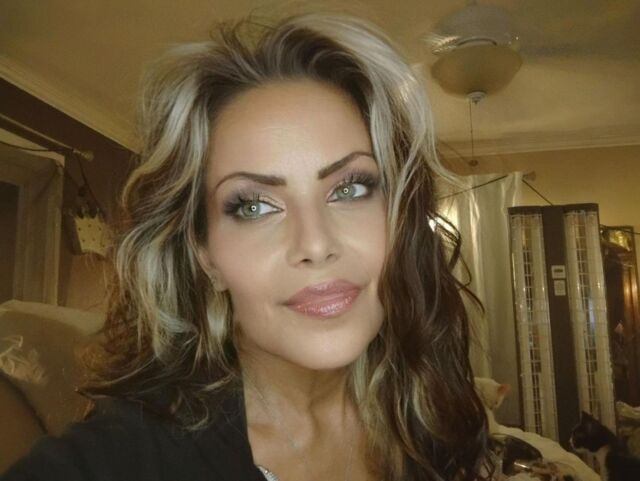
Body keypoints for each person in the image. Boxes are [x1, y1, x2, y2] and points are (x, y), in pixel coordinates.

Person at [1, 11, 493, 481]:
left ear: (399, 217)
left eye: (350, 188)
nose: (316, 243)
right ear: (206, 257)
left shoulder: (425, 411)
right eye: (254, 206)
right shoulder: (124, 459)